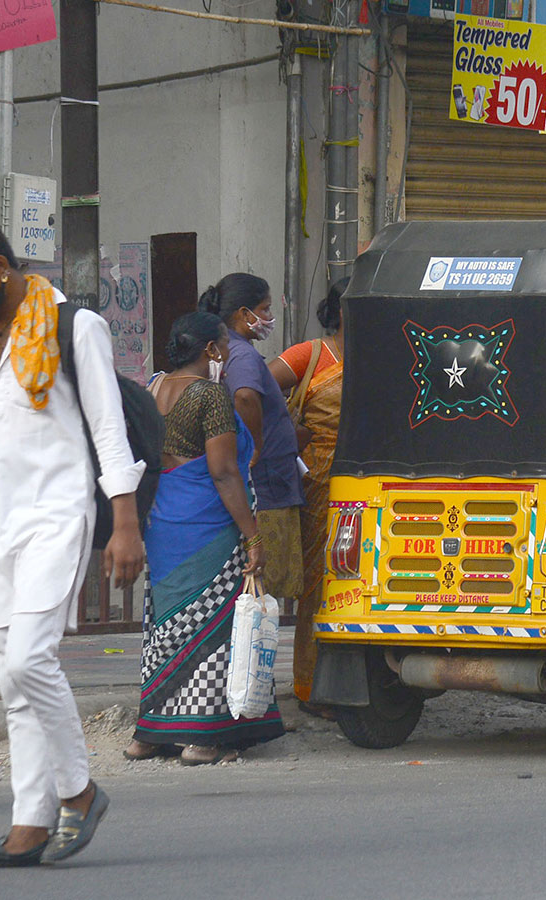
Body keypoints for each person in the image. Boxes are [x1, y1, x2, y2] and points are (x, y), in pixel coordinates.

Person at [0, 206, 144, 867]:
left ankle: (79, 792)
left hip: (56, 517)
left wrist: (124, 520)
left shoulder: (73, 326)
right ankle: (28, 824)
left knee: (31, 660)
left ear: (1, 268)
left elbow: (108, 427)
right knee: (11, 677)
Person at [125, 312, 284, 764]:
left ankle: (150, 734)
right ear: (210, 351)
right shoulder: (210, 396)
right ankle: (202, 739)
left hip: (161, 520)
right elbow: (223, 470)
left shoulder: (152, 388)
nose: (226, 358)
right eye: (225, 350)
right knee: (214, 624)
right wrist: (253, 536)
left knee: (164, 621)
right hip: (207, 522)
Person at [198, 274, 305, 606]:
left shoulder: (226, 348)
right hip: (266, 487)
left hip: (267, 480)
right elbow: (245, 396)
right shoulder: (241, 354)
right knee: (261, 589)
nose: (269, 318)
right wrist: (254, 444)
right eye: (265, 309)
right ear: (244, 314)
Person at [270, 281, 346, 709]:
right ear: (341, 312)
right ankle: (310, 684)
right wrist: (287, 433)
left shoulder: (378, 353)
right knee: (318, 580)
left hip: (363, 475)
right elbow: (257, 390)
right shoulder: (312, 354)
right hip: (318, 477)